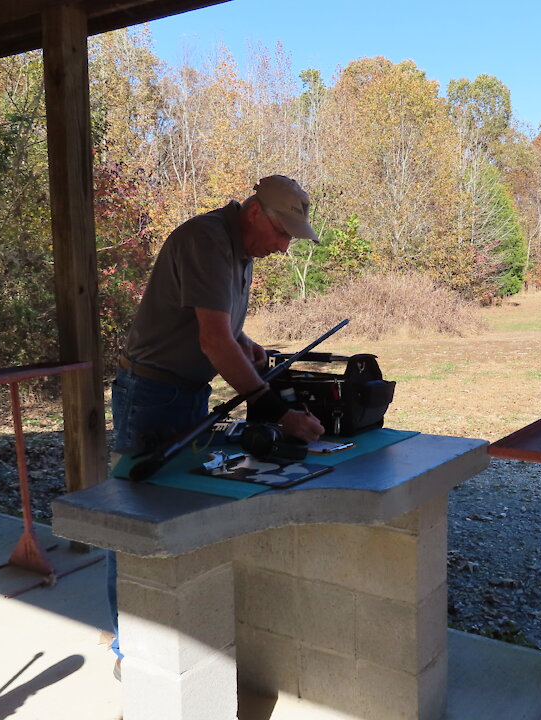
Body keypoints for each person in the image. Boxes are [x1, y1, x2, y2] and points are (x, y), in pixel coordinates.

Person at [106, 175, 325, 679]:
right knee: (136, 514)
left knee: (181, 508)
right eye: (281, 232)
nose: (283, 246)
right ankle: (129, 646)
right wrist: (277, 410)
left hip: (186, 392)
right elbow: (212, 340)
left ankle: (176, 625)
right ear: (253, 213)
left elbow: (218, 326)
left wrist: (243, 339)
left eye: (290, 236)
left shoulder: (240, 249)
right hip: (154, 394)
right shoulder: (207, 239)